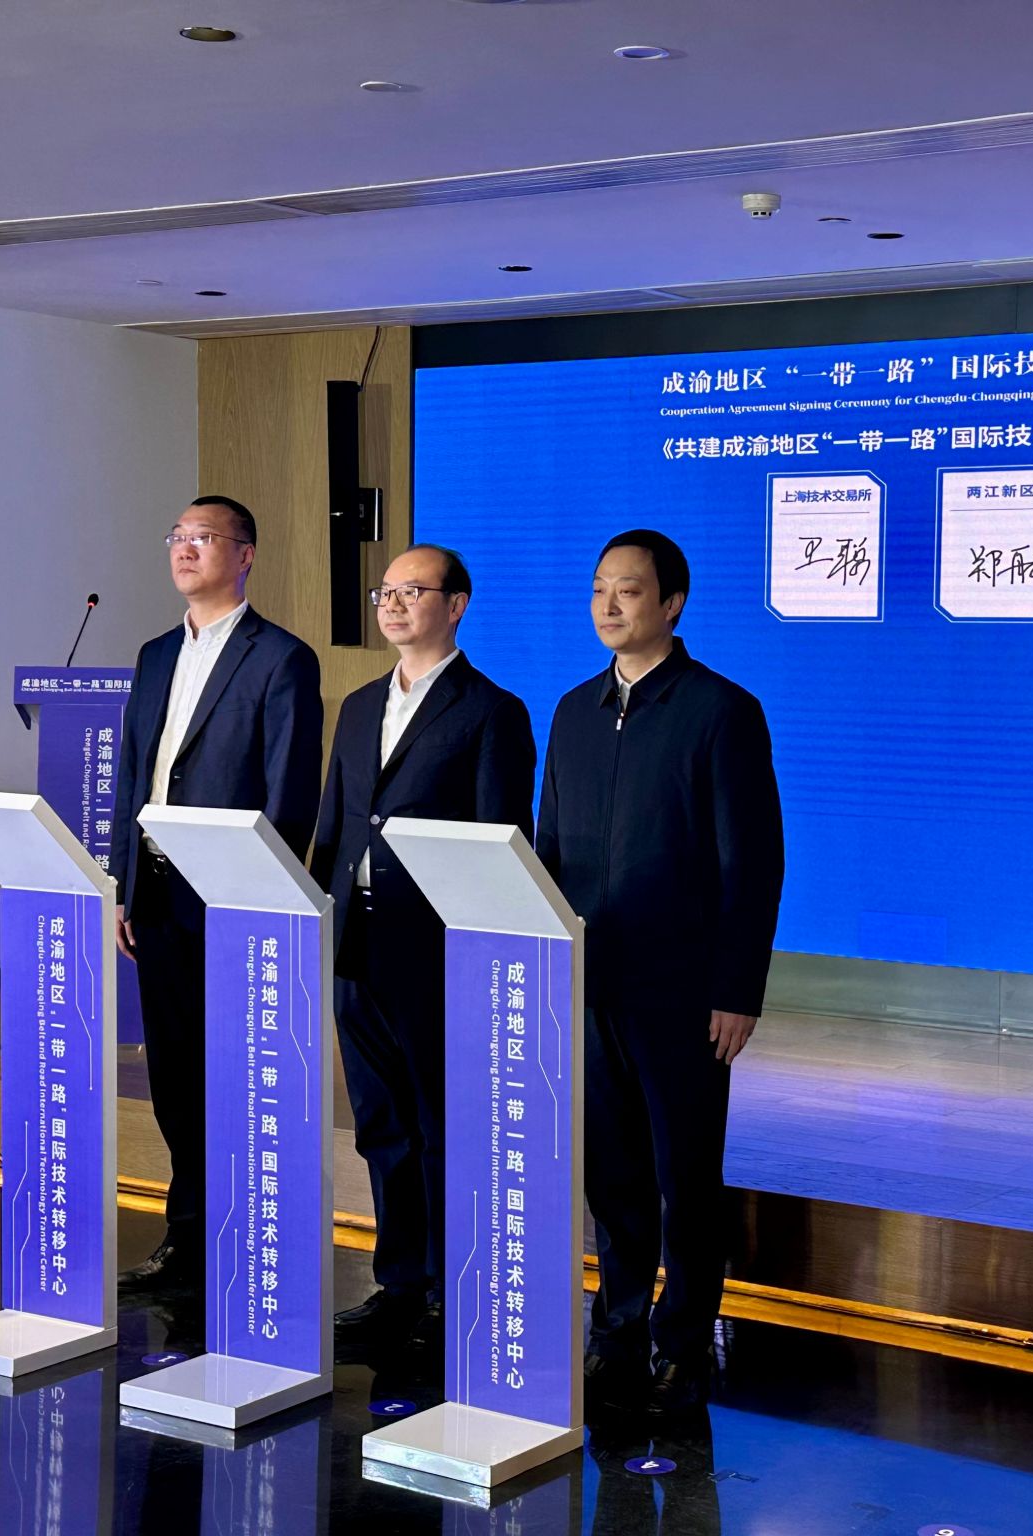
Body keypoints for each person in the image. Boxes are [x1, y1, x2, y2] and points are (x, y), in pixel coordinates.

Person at [536, 529, 783, 1417]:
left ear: (672, 604)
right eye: (599, 588)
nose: (608, 605)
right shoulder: (573, 711)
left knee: (686, 1177)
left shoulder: (721, 711)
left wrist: (736, 990)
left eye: (629, 590)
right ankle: (617, 1335)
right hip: (593, 984)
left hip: (682, 993)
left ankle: (683, 1345)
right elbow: (550, 849)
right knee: (612, 1178)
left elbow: (752, 864)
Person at [311, 544, 537, 1355]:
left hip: (438, 952)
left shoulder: (491, 711)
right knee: (381, 1124)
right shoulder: (358, 705)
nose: (394, 604)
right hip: (356, 945)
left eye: (414, 591)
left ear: (457, 604)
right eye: (386, 592)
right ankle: (400, 1283)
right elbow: (335, 826)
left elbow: (501, 840)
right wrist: (317, 921)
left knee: (444, 1124)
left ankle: (453, 1288)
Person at [112, 494, 322, 1292]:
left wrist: (262, 894)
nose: (185, 549)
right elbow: (134, 775)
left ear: (245, 555)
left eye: (204, 537)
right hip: (157, 894)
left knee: (236, 1073)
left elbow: (290, 791)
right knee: (174, 1073)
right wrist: (122, 884)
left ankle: (249, 1233)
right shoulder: (155, 654)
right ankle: (189, 1236)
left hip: (232, 899)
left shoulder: (280, 657)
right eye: (178, 536)